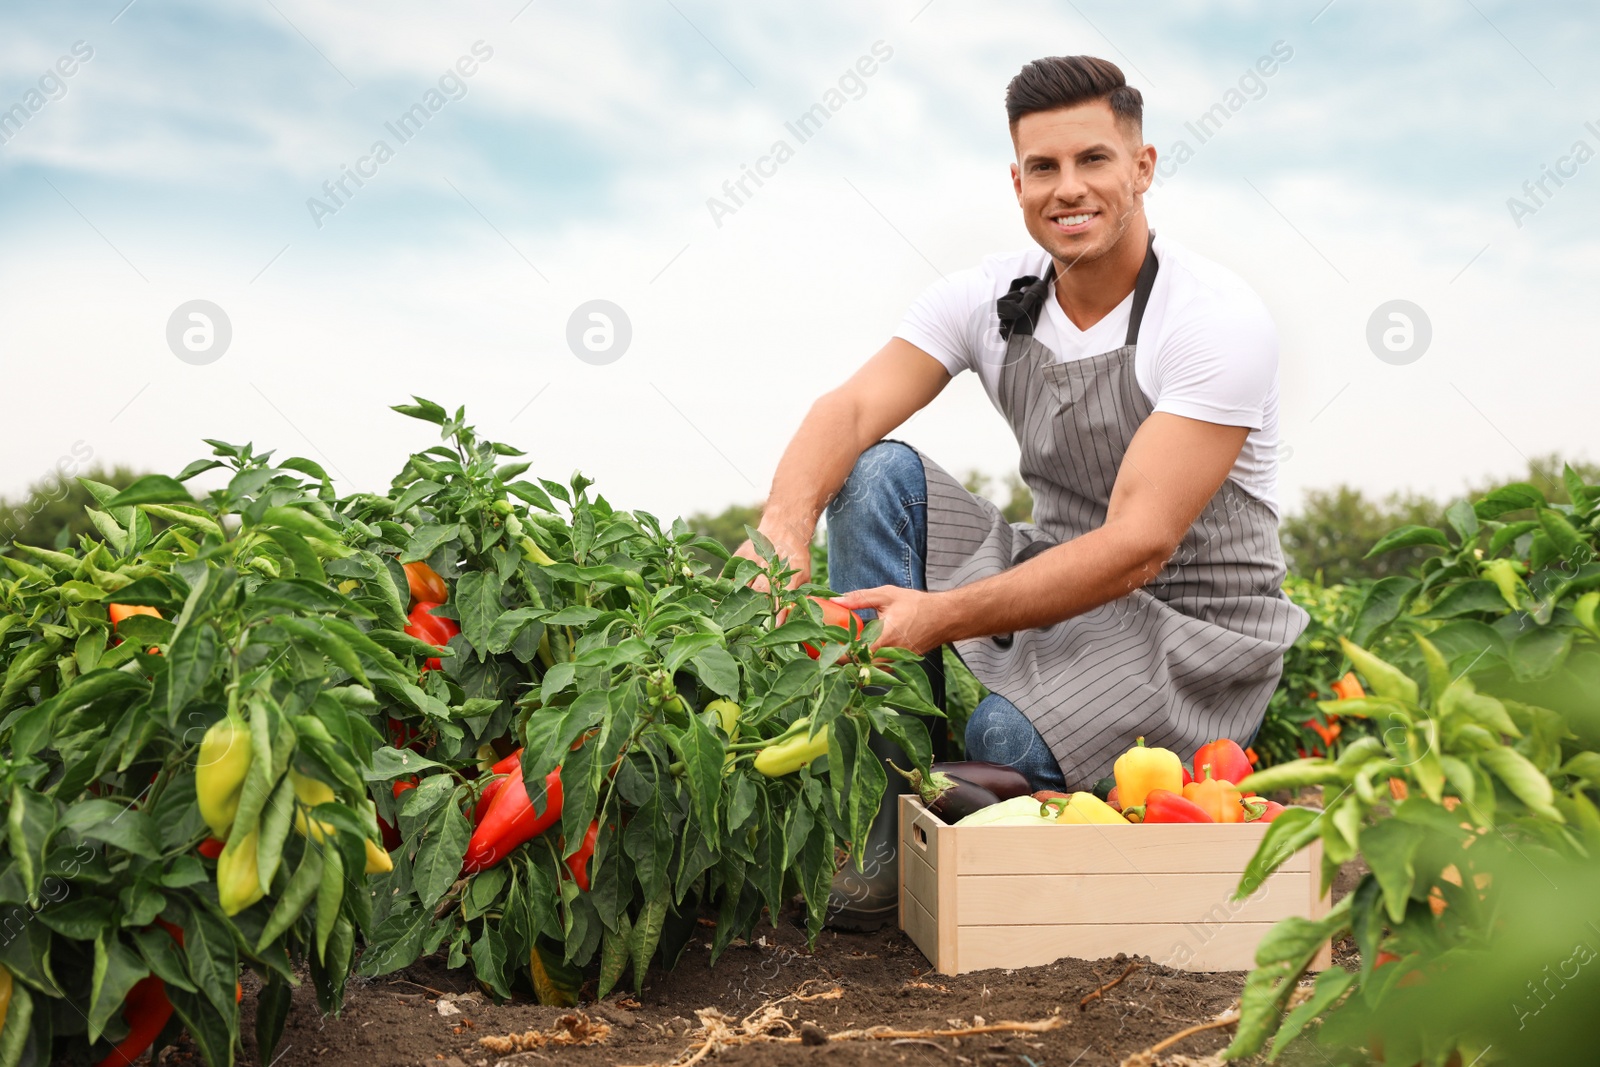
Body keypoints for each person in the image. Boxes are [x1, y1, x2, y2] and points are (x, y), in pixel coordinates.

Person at [734, 55, 1309, 930]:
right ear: (1017, 180)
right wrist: (783, 527)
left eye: (1094, 160)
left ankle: (1006, 773)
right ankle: (882, 826)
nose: (1067, 188)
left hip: (1192, 628)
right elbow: (849, 408)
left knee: (1002, 742)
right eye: (1044, 167)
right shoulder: (991, 297)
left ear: (1143, 167)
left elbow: (1138, 546)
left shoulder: (1212, 320)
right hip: (1060, 586)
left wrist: (934, 615)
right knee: (877, 470)